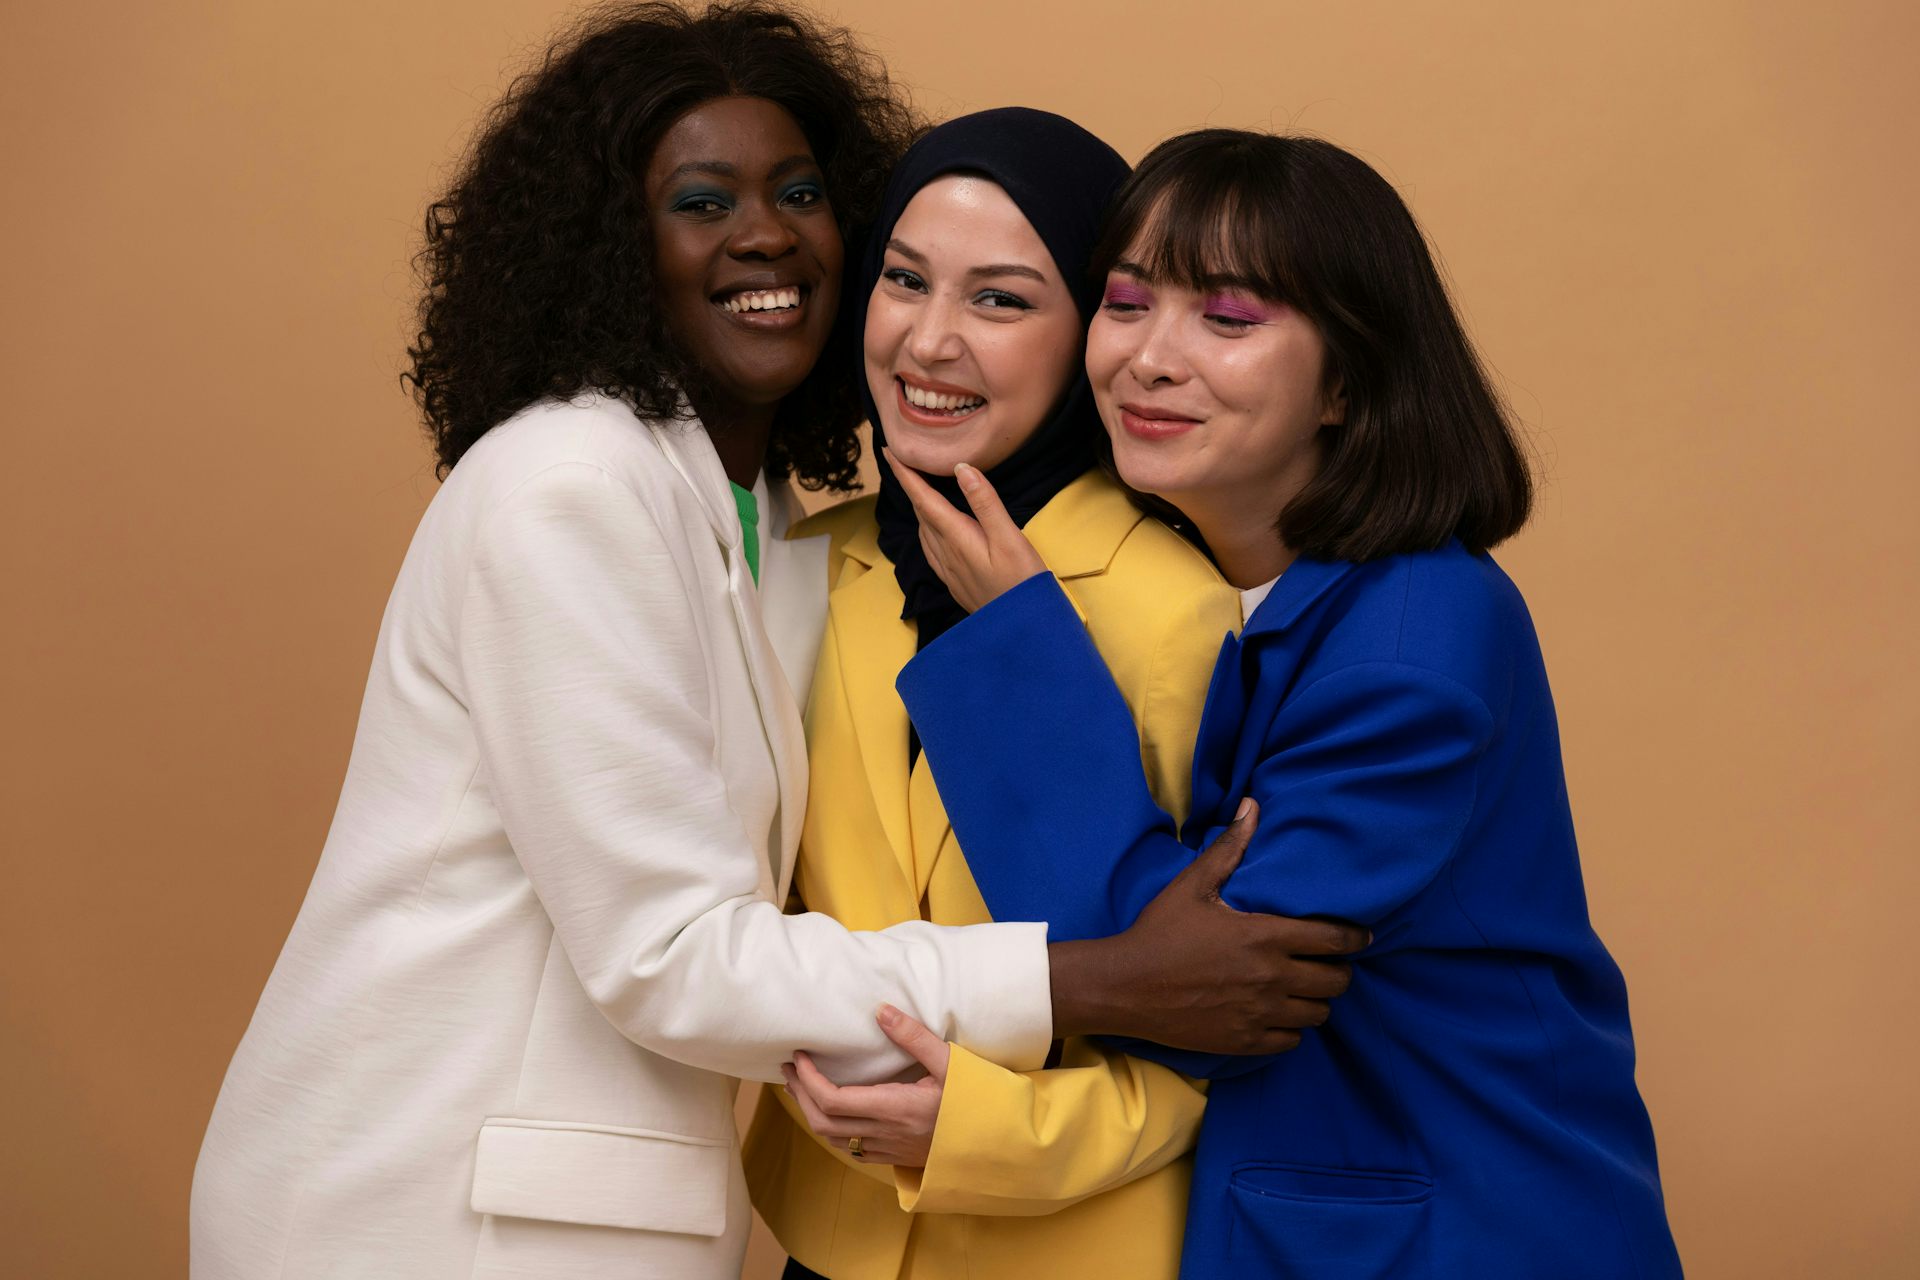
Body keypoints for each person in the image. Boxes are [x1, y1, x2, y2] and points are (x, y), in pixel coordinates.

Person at [189, 10, 1362, 1277]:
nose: (764, 233)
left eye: (801, 193)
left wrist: (1014, 1106)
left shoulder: (786, 533)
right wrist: (1098, 979)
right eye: (702, 200)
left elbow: (1241, 1013)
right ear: (610, 249)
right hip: (429, 1208)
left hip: (694, 1214)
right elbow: (675, 953)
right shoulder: (576, 491)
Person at [888, 129, 1684, 1278]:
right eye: (1127, 303)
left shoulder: (1415, 643)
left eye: (1228, 319)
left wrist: (1019, 643)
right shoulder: (1245, 591)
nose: (1150, 360)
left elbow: (1204, 991)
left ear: (1348, 382)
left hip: (1463, 1232)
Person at [743, 109, 1326, 1280]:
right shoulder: (809, 565)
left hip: (1074, 1244)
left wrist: (991, 1132)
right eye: (903, 280)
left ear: (1088, 342)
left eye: (1002, 300)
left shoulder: (1182, 611)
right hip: (824, 1231)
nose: (929, 341)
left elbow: (1236, 1020)